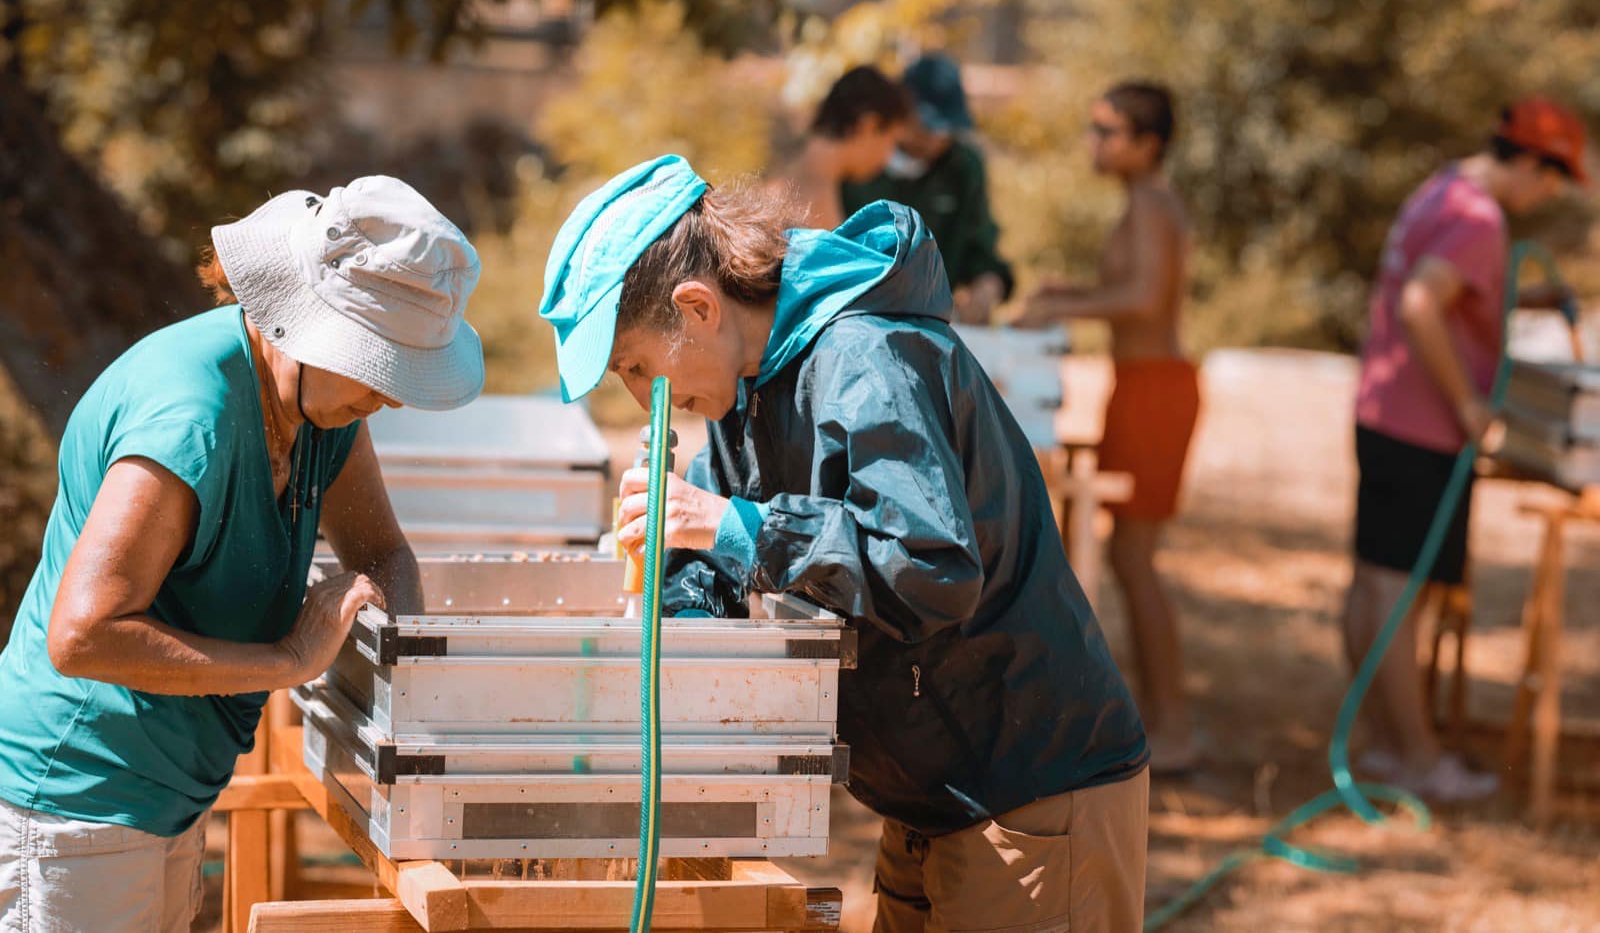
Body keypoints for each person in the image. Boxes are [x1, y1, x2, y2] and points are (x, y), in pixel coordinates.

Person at [540, 155, 1150, 932]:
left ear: (697, 307)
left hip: (1030, 789)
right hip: (933, 791)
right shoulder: (743, 395)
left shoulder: (867, 356)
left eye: (634, 364)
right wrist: (680, 607)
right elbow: (719, 552)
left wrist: (737, 526)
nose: (639, 392)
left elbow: (928, 568)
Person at [0, 177, 485, 932]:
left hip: (168, 799)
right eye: (378, 365)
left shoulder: (321, 413)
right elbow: (82, 633)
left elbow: (384, 552)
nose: (390, 397)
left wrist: (415, 703)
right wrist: (291, 660)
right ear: (302, 327)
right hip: (73, 808)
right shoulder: (189, 416)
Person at [1346, 99, 1587, 801]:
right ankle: (1420, 759)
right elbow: (1424, 302)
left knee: (1370, 581)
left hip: (1381, 409)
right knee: (1397, 593)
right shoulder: (1483, 219)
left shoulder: (1441, 189)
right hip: (1424, 425)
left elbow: (1446, 292)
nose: (1548, 194)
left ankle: (1387, 746)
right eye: (1552, 178)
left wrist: (1531, 299)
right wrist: (1468, 404)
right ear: (1531, 161)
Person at [1011, 81, 1201, 774]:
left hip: (1158, 389)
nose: (1095, 141)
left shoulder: (1152, 203)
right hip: (1136, 384)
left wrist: (1070, 302)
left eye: (1109, 130)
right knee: (1124, 557)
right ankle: (1158, 719)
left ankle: (1174, 727)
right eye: (1094, 127)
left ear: (1148, 144)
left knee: (1134, 560)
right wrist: (1066, 295)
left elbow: (1146, 298)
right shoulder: (1140, 203)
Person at [842, 53, 1012, 325]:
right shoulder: (858, 163)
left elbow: (980, 248)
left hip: (934, 329)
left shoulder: (962, 168)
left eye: (948, 128)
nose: (937, 138)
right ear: (899, 109)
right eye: (928, 124)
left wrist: (987, 287)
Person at [775, 65, 909, 230]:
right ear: (869, 126)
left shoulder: (794, 167)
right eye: (892, 141)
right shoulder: (813, 198)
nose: (888, 157)